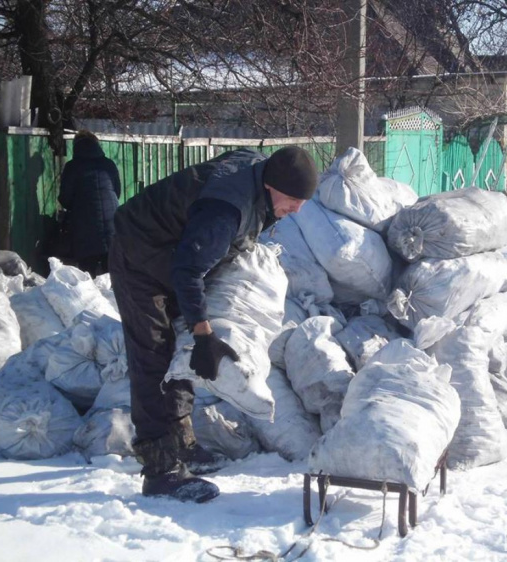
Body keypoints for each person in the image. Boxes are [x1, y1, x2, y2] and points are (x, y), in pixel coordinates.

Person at [109, 146, 318, 503]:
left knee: (180, 352)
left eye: (303, 201)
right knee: (155, 355)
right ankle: (161, 471)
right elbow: (188, 272)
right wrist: (203, 334)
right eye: (293, 199)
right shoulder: (226, 209)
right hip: (140, 255)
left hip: (171, 253)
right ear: (270, 186)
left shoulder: (257, 176)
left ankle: (182, 444)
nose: (297, 209)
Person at [58, 130, 121, 275]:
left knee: (88, 273)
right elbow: (116, 192)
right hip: (112, 223)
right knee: (111, 273)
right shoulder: (108, 164)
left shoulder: (72, 167)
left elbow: (65, 198)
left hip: (84, 226)